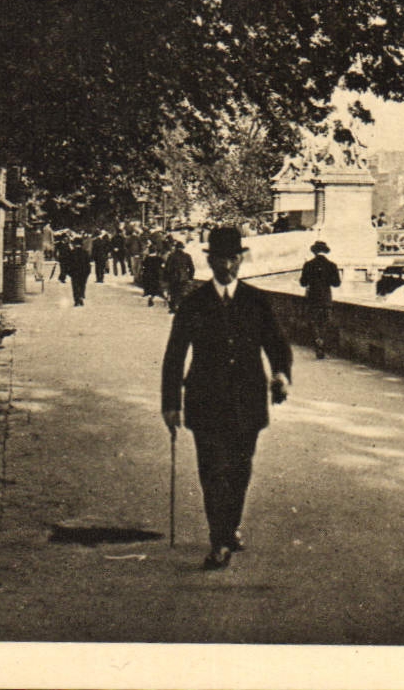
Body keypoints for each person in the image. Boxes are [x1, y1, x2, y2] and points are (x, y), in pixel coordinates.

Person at [161, 227, 292, 571]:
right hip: (206, 402)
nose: (228, 266)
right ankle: (219, 540)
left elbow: (277, 344)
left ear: (240, 259)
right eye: (221, 259)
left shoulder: (257, 301)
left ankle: (230, 527)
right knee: (213, 472)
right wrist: (170, 403)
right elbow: (175, 355)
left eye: (233, 259)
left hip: (248, 402)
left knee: (239, 471)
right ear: (211, 261)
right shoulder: (194, 303)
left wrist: (281, 374)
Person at [299, 240, 341, 360]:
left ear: (314, 252)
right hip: (326, 300)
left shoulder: (308, 265)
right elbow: (337, 283)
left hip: (312, 299)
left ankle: (317, 340)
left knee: (314, 323)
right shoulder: (332, 265)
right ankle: (322, 341)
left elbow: (303, 283)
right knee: (325, 323)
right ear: (325, 252)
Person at [163, 238, 195, 313]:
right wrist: (190, 277)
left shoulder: (172, 256)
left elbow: (167, 268)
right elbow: (192, 268)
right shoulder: (187, 256)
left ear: (176, 248)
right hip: (184, 276)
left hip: (173, 276)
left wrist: (166, 277)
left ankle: (173, 308)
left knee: (173, 292)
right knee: (182, 292)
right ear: (182, 248)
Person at [64, 236, 92, 306]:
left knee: (75, 286)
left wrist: (69, 272)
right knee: (82, 285)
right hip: (83, 272)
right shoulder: (85, 252)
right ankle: (81, 296)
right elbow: (88, 263)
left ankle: (76, 300)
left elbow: (68, 263)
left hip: (74, 272)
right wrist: (88, 272)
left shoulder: (71, 252)